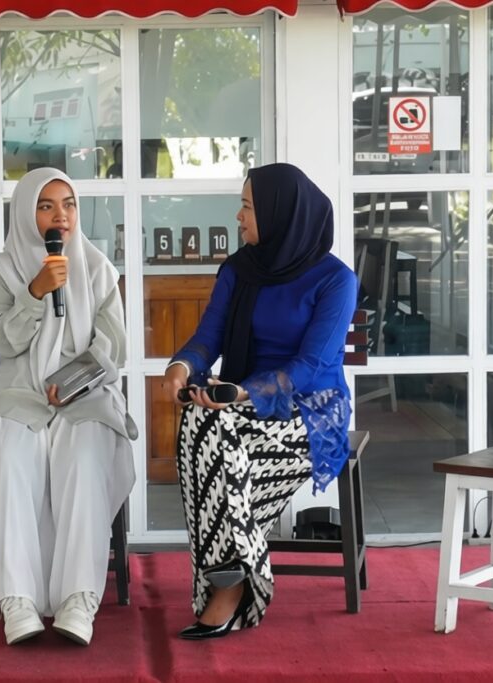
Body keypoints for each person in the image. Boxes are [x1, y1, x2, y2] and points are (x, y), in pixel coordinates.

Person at [163, 162, 357, 640]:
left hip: (309, 409)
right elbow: (208, 336)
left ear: (278, 212)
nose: (239, 216)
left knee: (215, 441)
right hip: (239, 405)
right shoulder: (239, 269)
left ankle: (227, 587)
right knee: (200, 425)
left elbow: (311, 365)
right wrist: (182, 367)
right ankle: (237, 572)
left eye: (247, 207)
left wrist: (245, 391)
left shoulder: (336, 280)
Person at [0, 167, 135, 646]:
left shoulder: (98, 269)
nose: (60, 216)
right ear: (26, 213)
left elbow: (113, 345)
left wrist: (75, 379)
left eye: (69, 204)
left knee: (84, 457)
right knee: (8, 457)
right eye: (46, 206)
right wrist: (35, 292)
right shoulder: (1, 270)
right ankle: (15, 599)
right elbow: (3, 341)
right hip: (21, 394)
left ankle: (79, 598)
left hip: (84, 394)